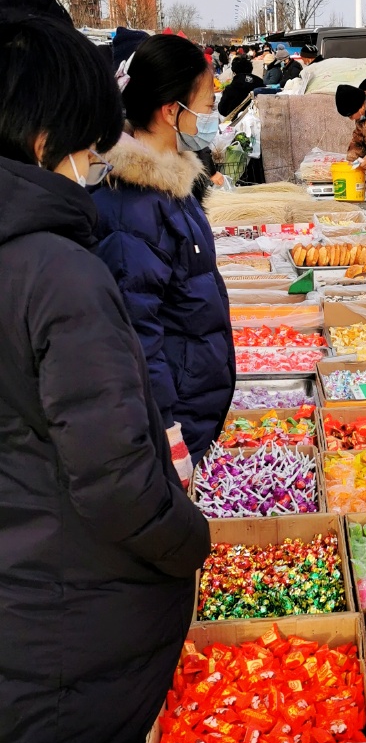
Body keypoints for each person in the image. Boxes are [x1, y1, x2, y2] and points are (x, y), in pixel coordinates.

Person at [0, 13, 210, 743]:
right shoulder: (56, 268)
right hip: (69, 627)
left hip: (29, 590)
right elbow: (118, 481)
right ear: (46, 130)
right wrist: (192, 540)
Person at [93, 33, 235, 464]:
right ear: (173, 110)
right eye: (208, 106)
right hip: (173, 415)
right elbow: (138, 333)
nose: (212, 116)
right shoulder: (131, 206)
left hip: (193, 400)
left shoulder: (172, 187)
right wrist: (168, 428)